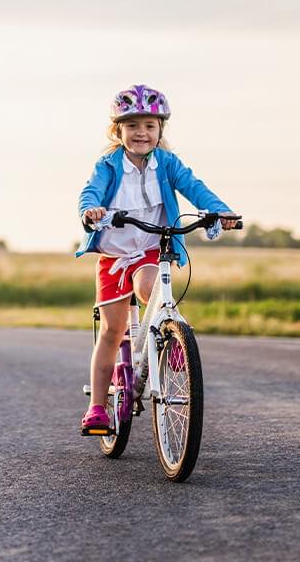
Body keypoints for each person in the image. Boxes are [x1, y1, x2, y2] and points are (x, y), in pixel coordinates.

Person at [76, 84, 238, 434]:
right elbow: (89, 191)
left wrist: (219, 210)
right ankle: (97, 407)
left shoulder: (167, 163)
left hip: (152, 248)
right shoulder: (108, 165)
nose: (141, 133)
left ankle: (173, 334)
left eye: (150, 126)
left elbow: (195, 187)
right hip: (114, 255)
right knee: (111, 330)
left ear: (160, 130)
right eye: (132, 126)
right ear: (117, 130)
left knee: (150, 285)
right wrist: (91, 210)